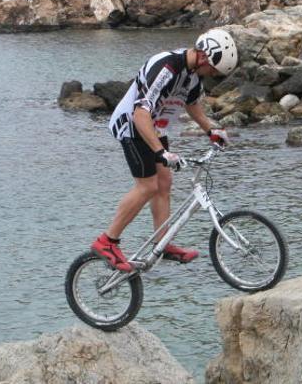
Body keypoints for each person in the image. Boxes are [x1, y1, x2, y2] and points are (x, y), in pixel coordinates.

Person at [92, 29, 239, 271]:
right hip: (132, 125)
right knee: (147, 186)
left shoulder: (193, 75)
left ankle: (163, 242)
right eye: (214, 70)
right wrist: (161, 152)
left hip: (155, 128)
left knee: (164, 183)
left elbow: (191, 104)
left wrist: (210, 130)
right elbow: (141, 112)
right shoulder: (167, 67)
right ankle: (107, 241)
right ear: (204, 57)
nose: (213, 75)